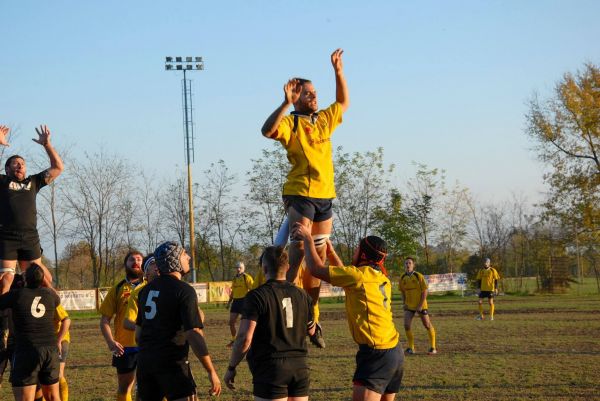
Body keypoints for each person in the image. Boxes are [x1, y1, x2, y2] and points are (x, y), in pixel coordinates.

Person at [260, 49, 349, 348]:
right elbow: (267, 130)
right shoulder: (292, 122)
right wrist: (285, 103)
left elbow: (343, 102)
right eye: (307, 93)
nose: (313, 97)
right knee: (298, 249)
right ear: (296, 98)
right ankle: (286, 298)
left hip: (325, 196)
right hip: (300, 193)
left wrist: (338, 71)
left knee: (317, 261)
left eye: (314, 92)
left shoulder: (323, 119)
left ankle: (311, 315)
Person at [294, 223, 403, 401]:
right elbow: (346, 277)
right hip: (394, 352)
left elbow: (315, 269)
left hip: (376, 355)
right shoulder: (380, 278)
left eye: (356, 250)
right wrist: (330, 252)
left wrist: (307, 238)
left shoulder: (358, 276)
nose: (354, 253)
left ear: (364, 255)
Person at [224, 246, 315, 401]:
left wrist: (232, 367)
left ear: (264, 268)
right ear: (287, 267)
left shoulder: (257, 296)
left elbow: (245, 338)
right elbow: (312, 331)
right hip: (300, 367)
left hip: (271, 368)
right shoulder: (303, 295)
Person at [135, 241, 221, 400]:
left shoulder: (146, 291)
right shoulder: (184, 290)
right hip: (172, 365)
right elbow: (194, 334)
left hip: (145, 364)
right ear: (173, 260)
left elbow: (138, 335)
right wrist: (211, 371)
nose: (188, 257)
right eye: (183, 254)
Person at [0, 125, 63, 294]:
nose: (20, 166)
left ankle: (58, 315)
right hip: (7, 237)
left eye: (22, 163)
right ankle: (4, 318)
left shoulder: (33, 182)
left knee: (43, 279)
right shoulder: (3, 181)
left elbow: (58, 167)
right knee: (5, 281)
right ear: (7, 169)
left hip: (30, 237)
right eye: (15, 163)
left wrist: (46, 145)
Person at [0, 263, 62, 401]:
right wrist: (46, 282)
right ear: (42, 280)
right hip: (50, 351)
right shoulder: (51, 295)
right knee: (53, 396)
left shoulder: (17, 295)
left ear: (25, 280)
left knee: (25, 398)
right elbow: (56, 296)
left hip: (27, 350)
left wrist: (6, 284)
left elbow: (1, 303)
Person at [99, 250, 144, 401]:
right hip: (125, 347)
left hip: (148, 344)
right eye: (132, 259)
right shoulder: (117, 289)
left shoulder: (150, 287)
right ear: (126, 264)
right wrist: (111, 342)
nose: (136, 262)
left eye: (139, 259)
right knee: (124, 388)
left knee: (153, 387)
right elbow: (104, 320)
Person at [398, 257, 437, 355]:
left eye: (409, 263)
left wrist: (420, 305)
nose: (408, 265)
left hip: (421, 305)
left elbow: (425, 291)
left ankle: (433, 347)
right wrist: (404, 303)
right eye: (406, 263)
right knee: (406, 325)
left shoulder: (418, 276)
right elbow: (402, 291)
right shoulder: (402, 277)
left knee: (427, 325)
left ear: (413, 265)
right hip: (409, 305)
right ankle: (411, 348)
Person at [123, 255, 158, 332]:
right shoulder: (139, 291)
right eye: (152, 263)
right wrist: (148, 329)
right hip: (148, 340)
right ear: (146, 271)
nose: (157, 265)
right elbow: (127, 322)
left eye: (159, 262)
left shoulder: (170, 287)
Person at [226, 262, 253, 347]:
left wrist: (251, 301)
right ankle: (234, 340)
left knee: (246, 323)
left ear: (243, 268)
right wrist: (229, 302)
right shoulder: (234, 279)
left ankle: (250, 340)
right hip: (236, 302)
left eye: (240, 268)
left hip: (244, 301)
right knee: (231, 322)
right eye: (237, 268)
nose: (238, 269)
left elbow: (253, 289)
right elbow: (233, 292)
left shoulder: (247, 277)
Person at [54, 303, 71, 401]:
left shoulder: (52, 300)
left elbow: (67, 321)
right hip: (46, 342)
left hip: (60, 340)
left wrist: (59, 340)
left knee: (59, 373)